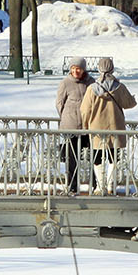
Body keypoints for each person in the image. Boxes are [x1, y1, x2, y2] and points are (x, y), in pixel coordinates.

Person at [80, 57, 136, 195]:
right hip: (115, 127)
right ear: (112, 68)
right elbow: (130, 104)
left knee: (97, 157)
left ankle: (100, 186)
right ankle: (111, 185)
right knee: (113, 157)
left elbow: (85, 110)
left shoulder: (92, 89)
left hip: (96, 128)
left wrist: (86, 125)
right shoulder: (119, 87)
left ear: (99, 69)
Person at [54, 57, 93, 193]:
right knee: (72, 158)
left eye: (79, 68)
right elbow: (59, 103)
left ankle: (94, 184)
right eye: (73, 68)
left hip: (88, 126)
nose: (76, 71)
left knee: (93, 156)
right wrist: (67, 117)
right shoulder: (65, 83)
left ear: (83, 69)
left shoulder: (91, 83)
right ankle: (72, 185)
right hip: (71, 126)